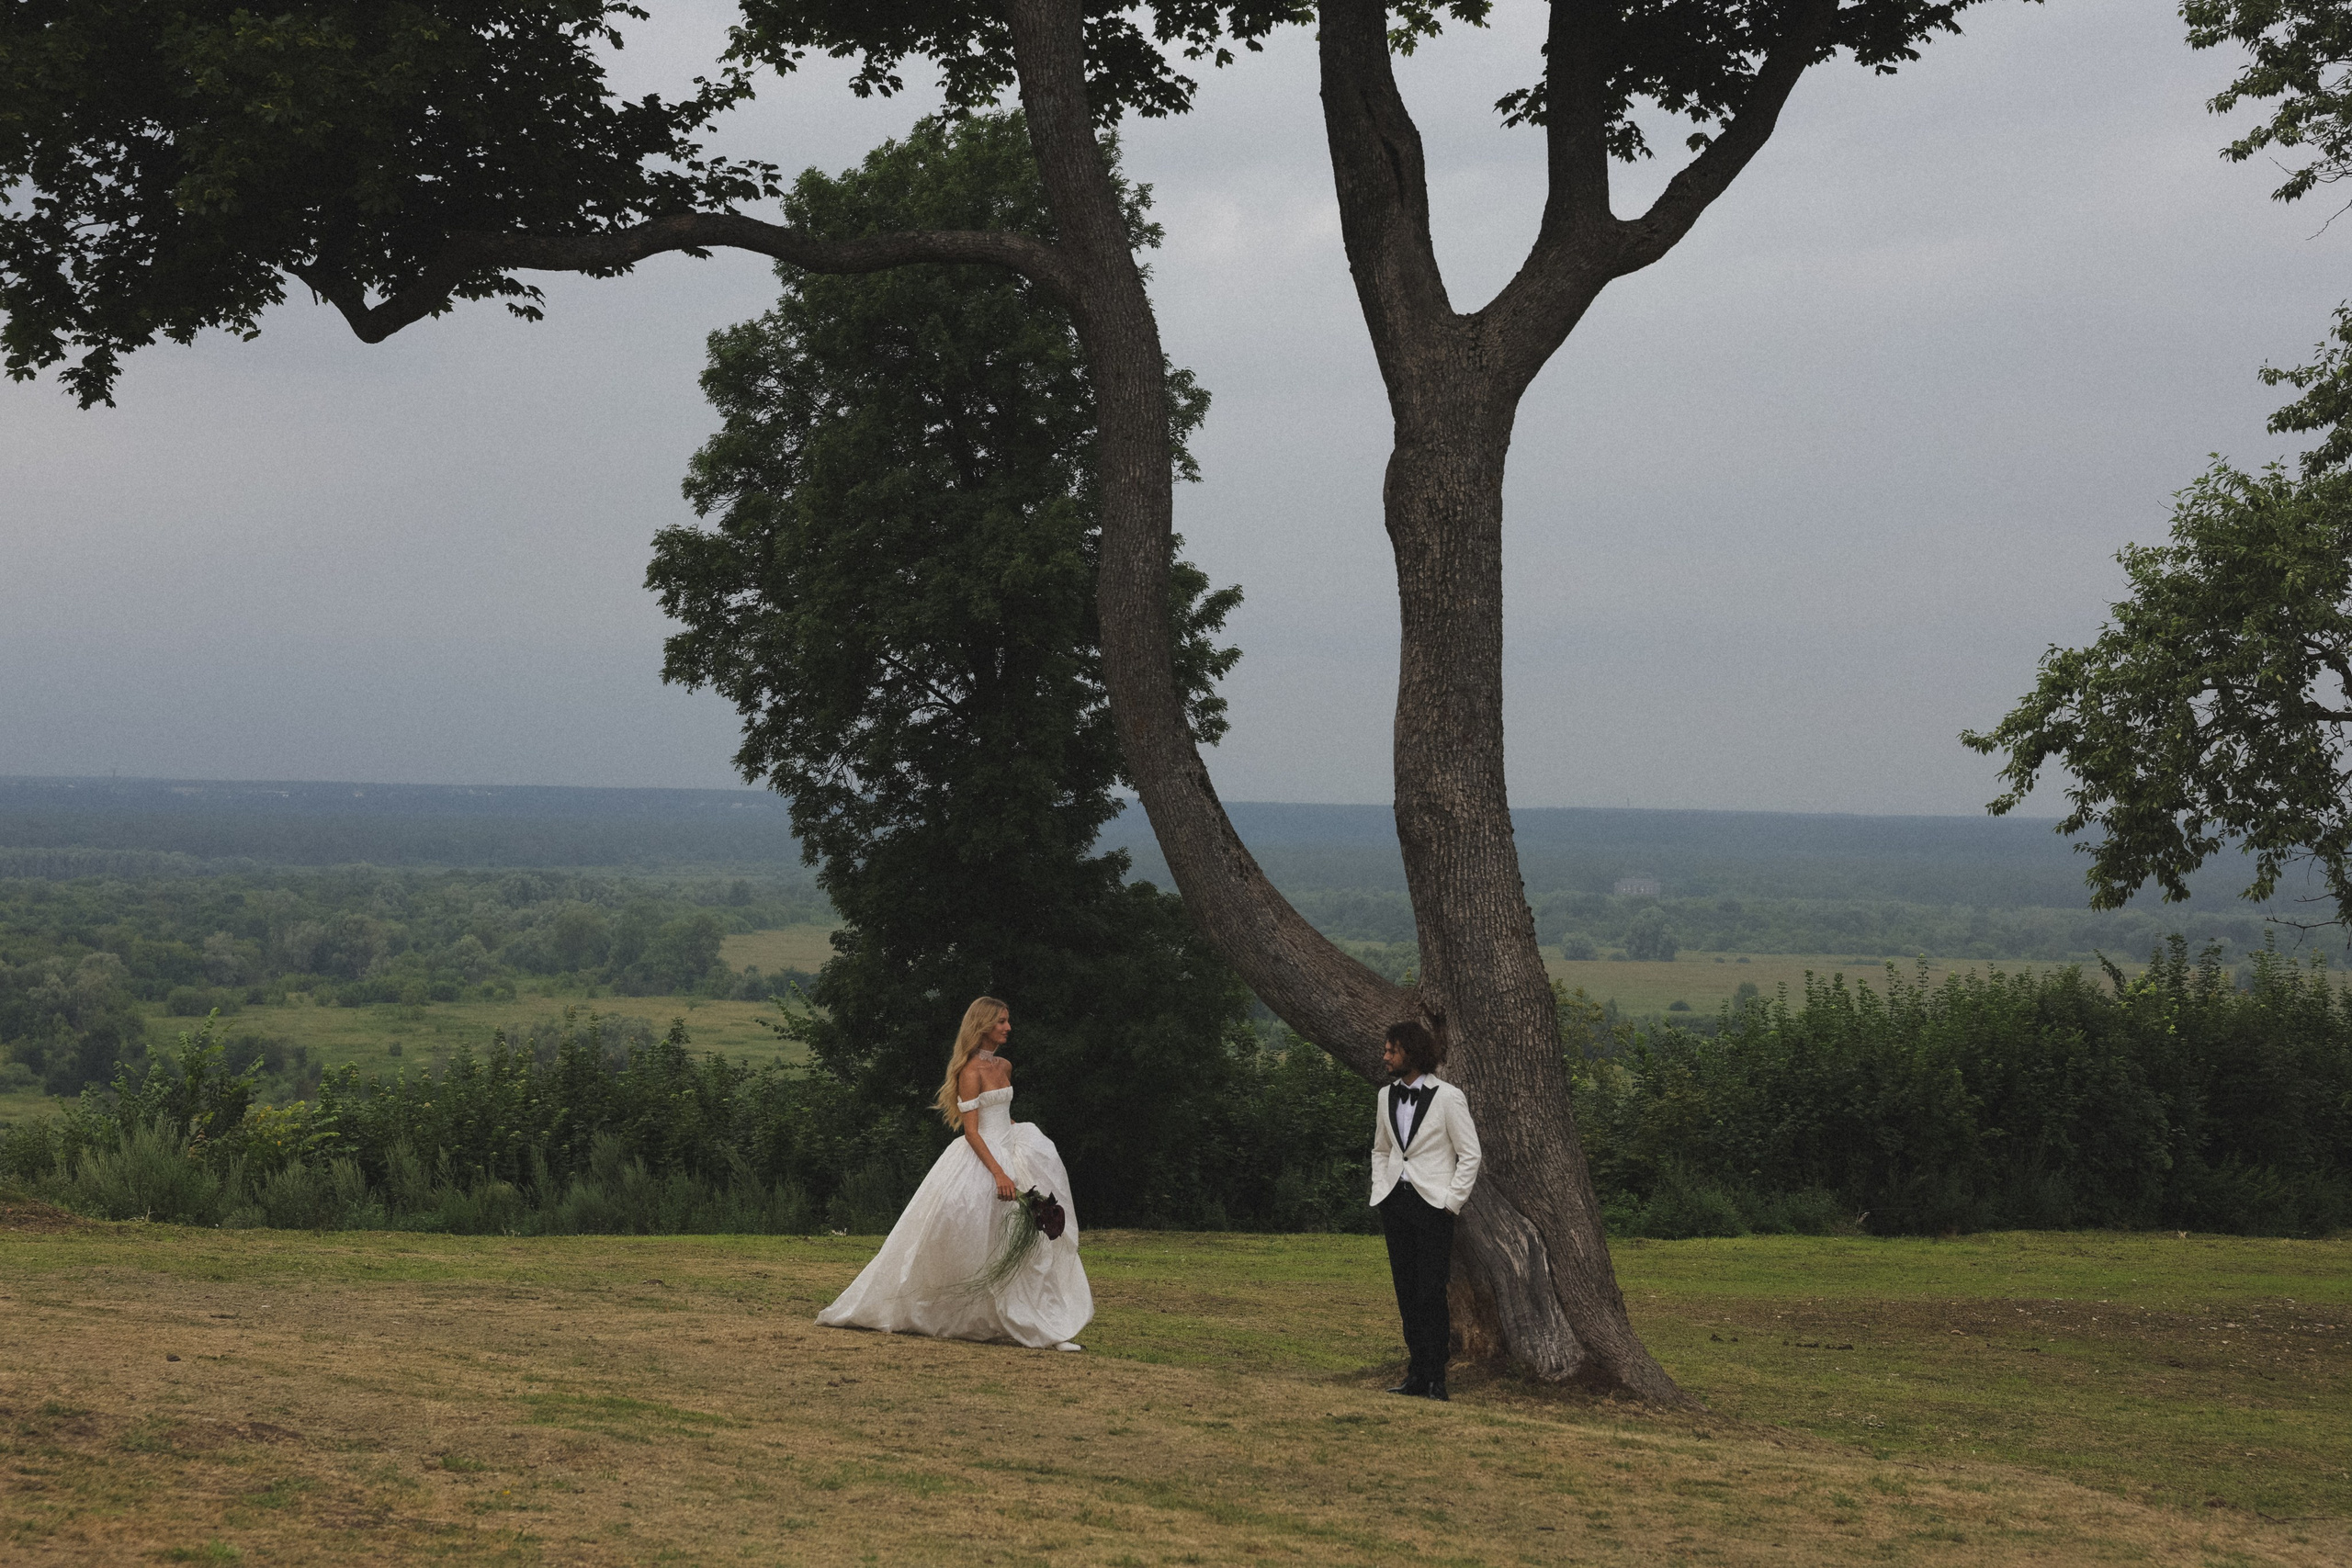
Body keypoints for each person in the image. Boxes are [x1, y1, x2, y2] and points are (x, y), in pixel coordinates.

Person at [817, 996, 1092, 1350]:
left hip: (1013, 1152)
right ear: (982, 1026)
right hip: (984, 1160)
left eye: (1007, 1021)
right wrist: (999, 1174)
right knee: (981, 1241)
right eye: (1001, 1022)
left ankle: (1046, 1326)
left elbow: (1002, 1114)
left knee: (1032, 1243)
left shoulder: (1004, 1066)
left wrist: (1022, 1146)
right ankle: (987, 1316)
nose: (1008, 1028)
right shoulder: (970, 1072)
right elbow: (973, 1131)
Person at [1369, 1015, 1481, 1400]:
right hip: (1395, 1204)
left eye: (1392, 1050)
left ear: (1412, 1054)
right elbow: (1381, 1149)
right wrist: (1380, 1189)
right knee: (1405, 1290)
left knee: (1430, 1293)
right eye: (1386, 1050)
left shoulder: (1449, 1097)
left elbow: (1470, 1154)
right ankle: (1415, 1373)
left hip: (1433, 1207)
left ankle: (1436, 1378)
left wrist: (1451, 1203)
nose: (1385, 1056)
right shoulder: (1386, 1097)